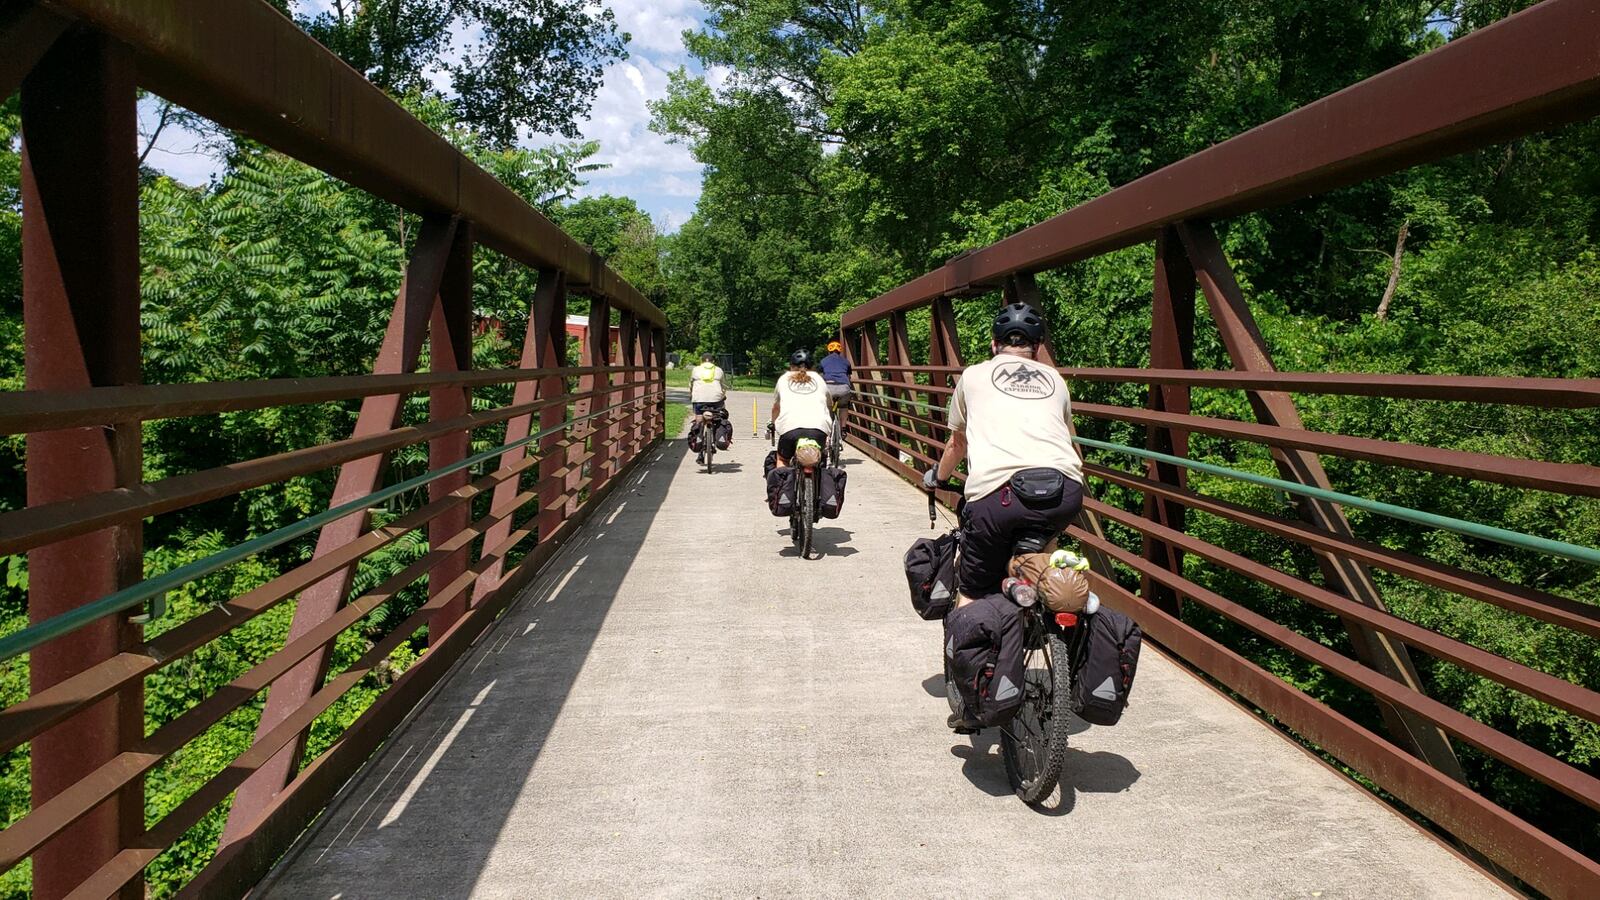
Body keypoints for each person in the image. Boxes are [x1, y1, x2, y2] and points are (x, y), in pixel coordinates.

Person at [924, 301, 1085, 607]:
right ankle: (1047, 617)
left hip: (999, 498)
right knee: (1044, 549)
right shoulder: (1057, 381)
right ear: (1037, 348)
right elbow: (1067, 440)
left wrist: (939, 478)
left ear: (994, 344)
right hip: (1064, 492)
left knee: (973, 590)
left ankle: (969, 647)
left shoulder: (972, 376)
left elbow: (958, 444)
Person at [769, 349, 832, 465]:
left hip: (790, 429)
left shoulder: (783, 379)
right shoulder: (819, 379)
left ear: (791, 366)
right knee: (820, 461)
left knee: (782, 459)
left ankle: (783, 481)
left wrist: (772, 423)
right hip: (819, 429)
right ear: (812, 366)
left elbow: (776, 408)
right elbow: (829, 404)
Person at [818, 339, 852, 411]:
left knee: (827, 407)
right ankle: (843, 422)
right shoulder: (846, 361)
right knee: (844, 407)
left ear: (829, 351)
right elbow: (849, 376)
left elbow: (820, 377)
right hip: (843, 388)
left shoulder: (823, 361)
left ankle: (829, 418)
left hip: (829, 388)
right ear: (839, 351)